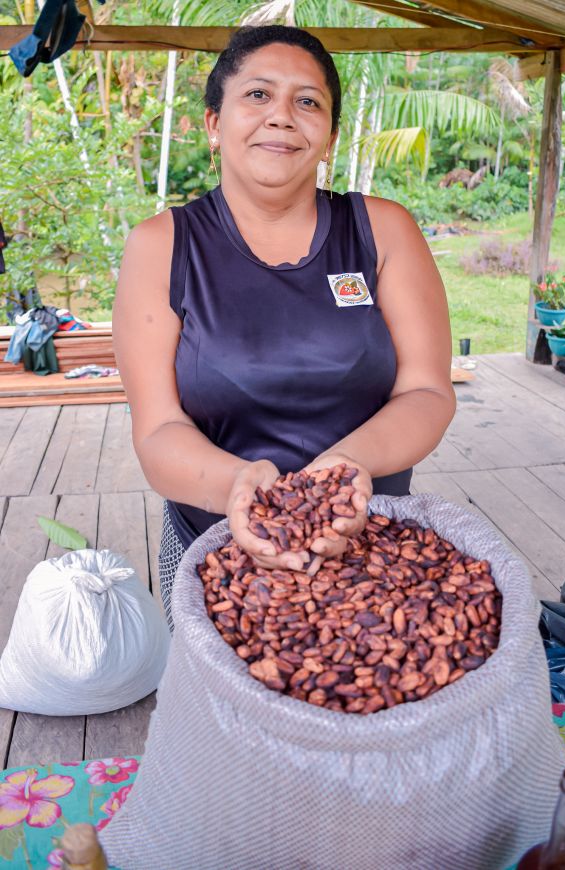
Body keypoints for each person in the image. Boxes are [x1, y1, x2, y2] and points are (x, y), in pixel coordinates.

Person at [113, 25, 456, 631]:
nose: (282, 116)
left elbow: (427, 390)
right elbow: (159, 429)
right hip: (216, 556)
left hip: (376, 552)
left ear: (329, 137)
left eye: (308, 101)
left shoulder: (383, 231)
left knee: (374, 682)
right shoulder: (161, 245)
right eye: (258, 94)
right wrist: (242, 491)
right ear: (214, 124)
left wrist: (344, 473)